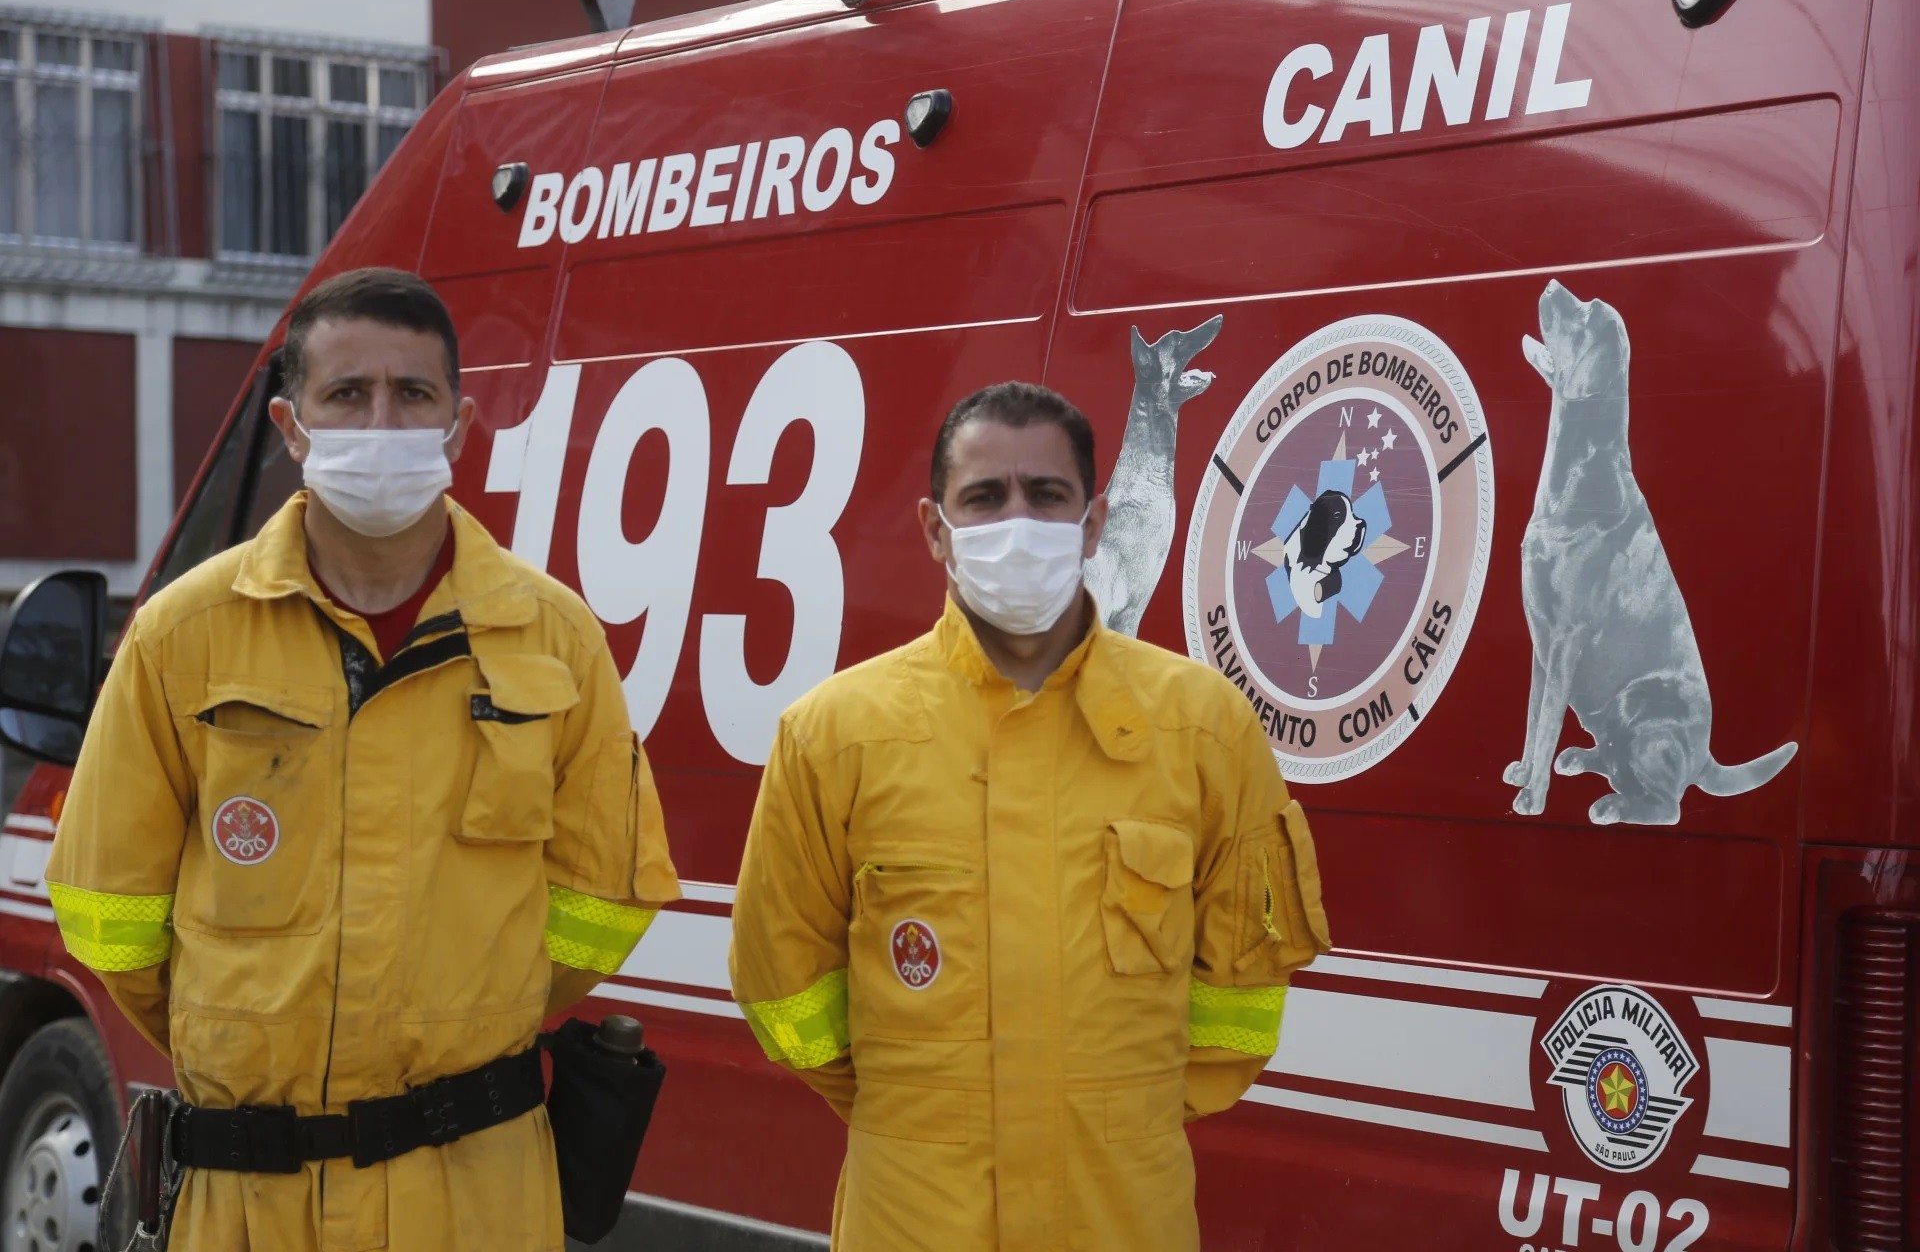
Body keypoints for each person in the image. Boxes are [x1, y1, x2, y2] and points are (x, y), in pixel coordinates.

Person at [44, 267, 680, 1251]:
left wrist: (455, 1028)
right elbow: (108, 906)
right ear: (292, 425)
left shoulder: (554, 638)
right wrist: (265, 1041)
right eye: (347, 395)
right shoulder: (183, 637)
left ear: (458, 424)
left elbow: (608, 891)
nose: (381, 423)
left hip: (477, 1194)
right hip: (251, 1199)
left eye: (412, 394)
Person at [728, 381, 1331, 1250]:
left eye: (1047, 496)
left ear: (1093, 524)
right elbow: (781, 984)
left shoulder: (1203, 729)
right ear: (936, 528)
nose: (1018, 520)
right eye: (984, 497)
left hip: (1120, 1217)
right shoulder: (835, 735)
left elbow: (1240, 1000)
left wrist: (1107, 1118)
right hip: (916, 1219)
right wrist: (924, 1110)